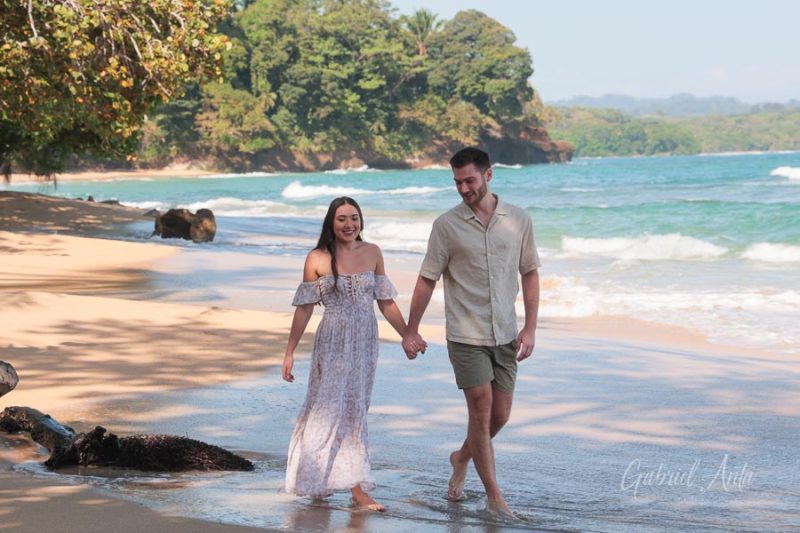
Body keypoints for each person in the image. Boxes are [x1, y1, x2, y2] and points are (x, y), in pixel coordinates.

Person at [402, 147, 540, 516]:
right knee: (480, 410)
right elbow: (426, 279)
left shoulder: (519, 219)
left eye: (470, 180)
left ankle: (461, 456)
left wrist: (529, 327)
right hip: (465, 334)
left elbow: (529, 273)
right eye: (457, 182)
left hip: (506, 332)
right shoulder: (446, 226)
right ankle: (495, 498)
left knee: (501, 416)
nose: (463, 188)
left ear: (488, 175)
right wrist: (410, 329)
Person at [282, 196, 411, 512]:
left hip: (365, 341)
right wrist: (289, 352)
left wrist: (408, 333)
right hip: (333, 341)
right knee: (326, 407)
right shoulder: (317, 258)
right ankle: (315, 477)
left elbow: (385, 302)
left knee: (354, 410)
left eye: (354, 218)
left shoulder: (373, 253)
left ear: (361, 221)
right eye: (342, 219)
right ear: (331, 222)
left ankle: (355, 489)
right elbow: (304, 309)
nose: (349, 224)